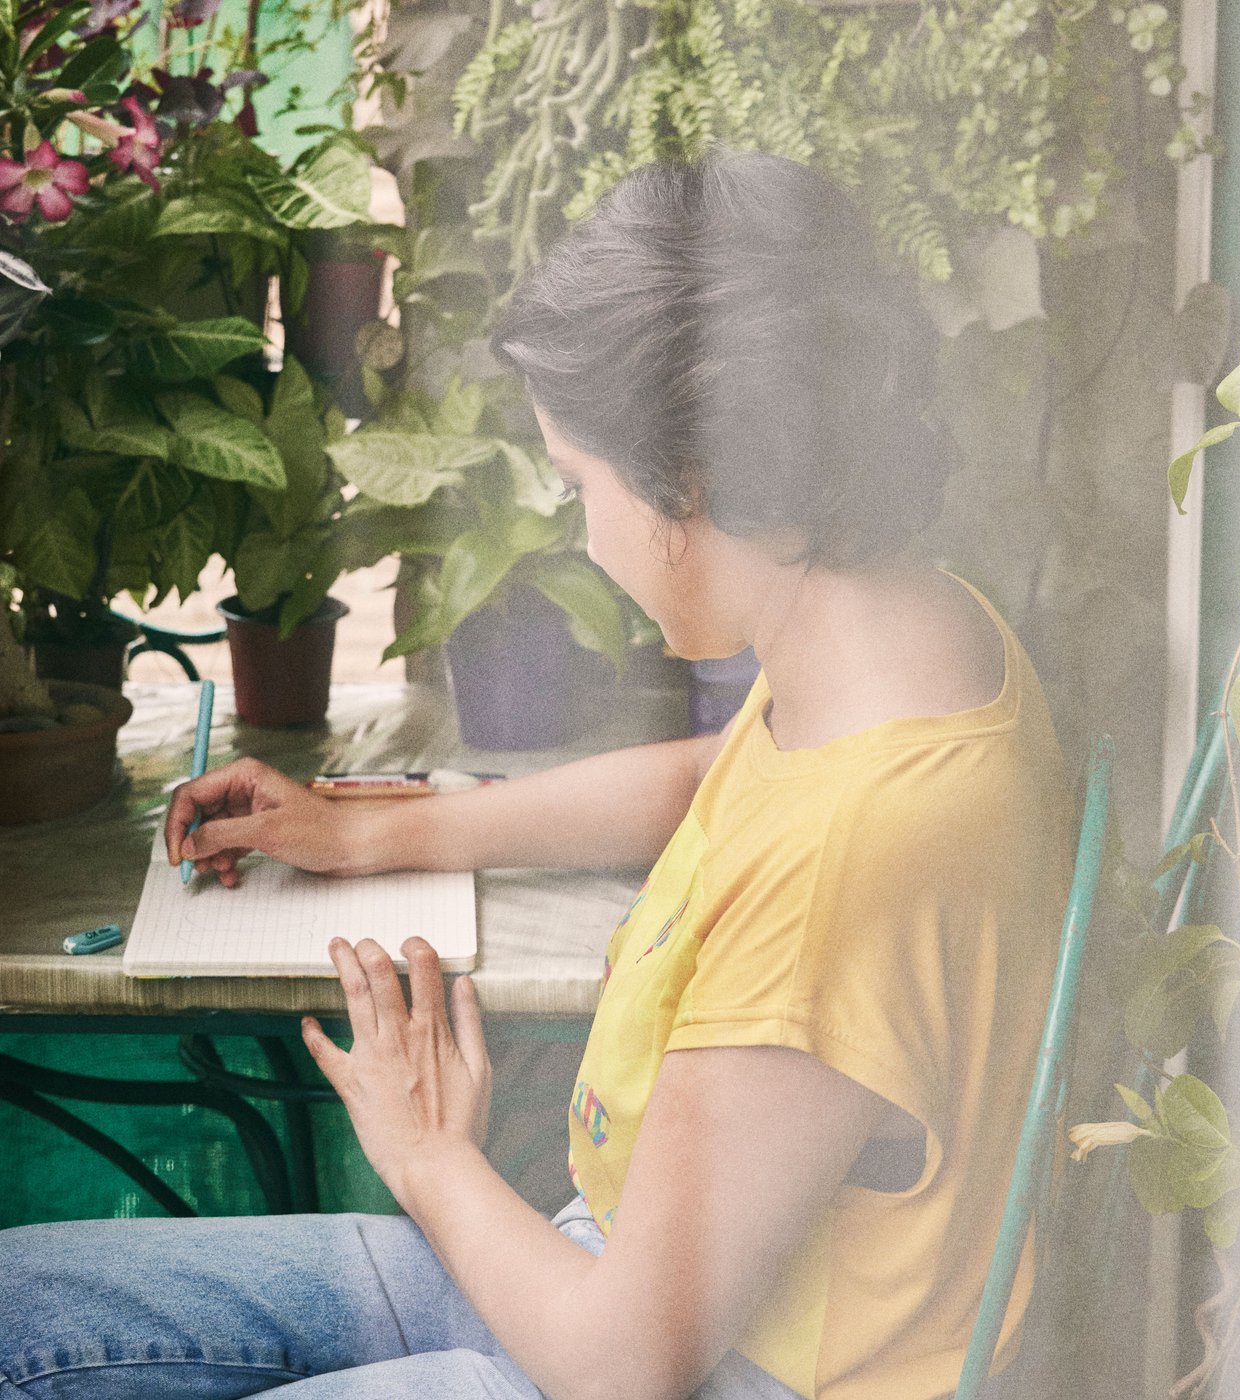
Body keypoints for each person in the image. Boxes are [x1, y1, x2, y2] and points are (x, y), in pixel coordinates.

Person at [0, 147, 1072, 1399]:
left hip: (694, 1354)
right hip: (627, 1268)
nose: (579, 528)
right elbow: (717, 775)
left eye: (577, 484)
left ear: (697, 483)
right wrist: (373, 834)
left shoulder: (851, 861)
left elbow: (625, 1363)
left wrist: (428, 1152)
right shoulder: (904, 640)